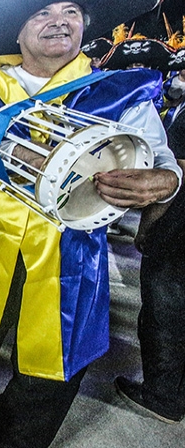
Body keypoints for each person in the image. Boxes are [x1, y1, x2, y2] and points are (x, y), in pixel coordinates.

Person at [0, 0, 181, 448]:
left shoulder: (120, 93)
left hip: (70, 248)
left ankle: (15, 438)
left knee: (56, 357)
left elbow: (161, 159)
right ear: (18, 33)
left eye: (70, 12)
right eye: (42, 12)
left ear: (85, 27)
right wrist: (16, 149)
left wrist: (165, 183)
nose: (58, 21)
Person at [115, 89, 185, 424]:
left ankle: (162, 395)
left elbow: (172, 178)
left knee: (164, 311)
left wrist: (146, 230)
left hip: (178, 232)